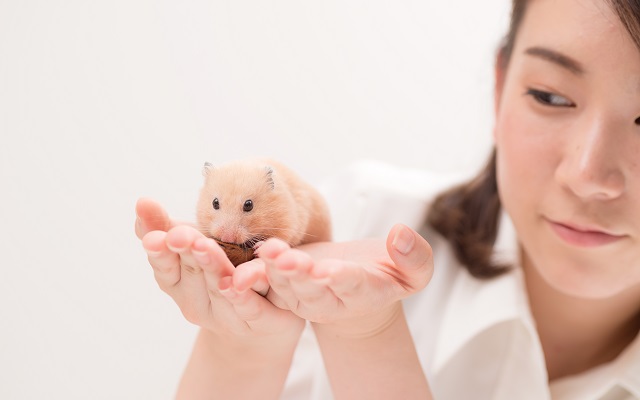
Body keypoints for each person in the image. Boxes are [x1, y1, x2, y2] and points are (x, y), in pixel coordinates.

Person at [134, 0, 640, 398]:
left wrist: (367, 336)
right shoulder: (351, 227)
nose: (588, 175)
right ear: (500, 86)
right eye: (550, 95)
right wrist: (242, 347)